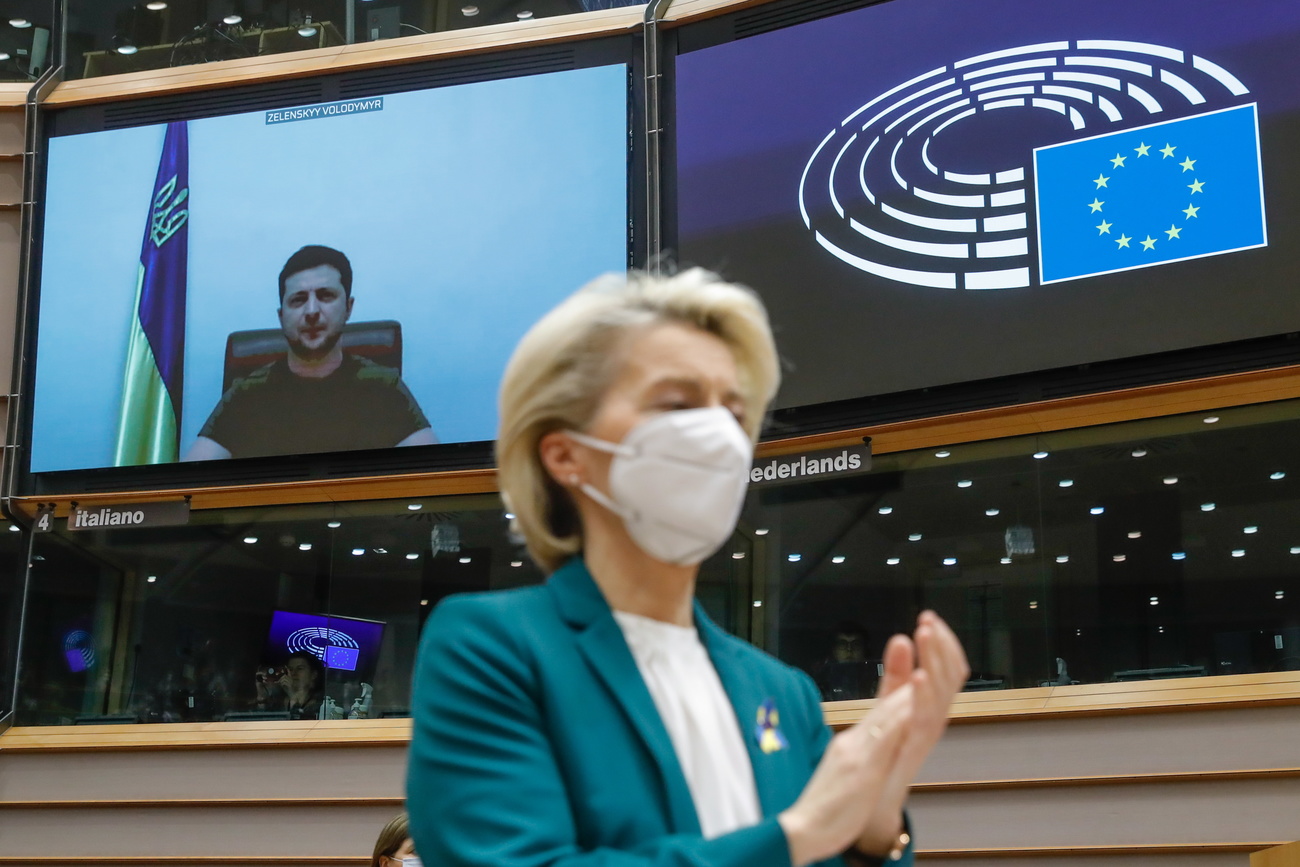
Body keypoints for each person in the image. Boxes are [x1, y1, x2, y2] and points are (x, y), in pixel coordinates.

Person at [406, 269, 970, 867]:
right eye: (677, 403)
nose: (719, 435)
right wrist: (798, 835)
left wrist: (874, 831)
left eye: (733, 410)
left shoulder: (784, 693)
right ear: (566, 454)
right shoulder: (491, 648)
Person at [183, 245, 436, 461]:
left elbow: (436, 477)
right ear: (281, 317)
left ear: (348, 308)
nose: (312, 311)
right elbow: (187, 486)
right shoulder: (246, 396)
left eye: (326, 296)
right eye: (298, 299)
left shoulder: (383, 387)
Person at [254, 650, 326, 720]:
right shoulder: (278, 702)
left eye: (300, 669)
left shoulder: (322, 706)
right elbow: (261, 720)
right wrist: (261, 696)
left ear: (314, 675)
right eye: (290, 669)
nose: (293, 673)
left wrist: (293, 697)